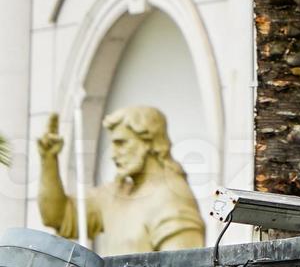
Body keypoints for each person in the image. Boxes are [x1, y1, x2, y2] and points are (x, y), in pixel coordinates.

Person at [36, 107, 208, 254]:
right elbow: (57, 216)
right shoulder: (114, 195)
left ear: (149, 141)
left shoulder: (172, 196)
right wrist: (49, 160)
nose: (113, 154)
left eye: (121, 143)